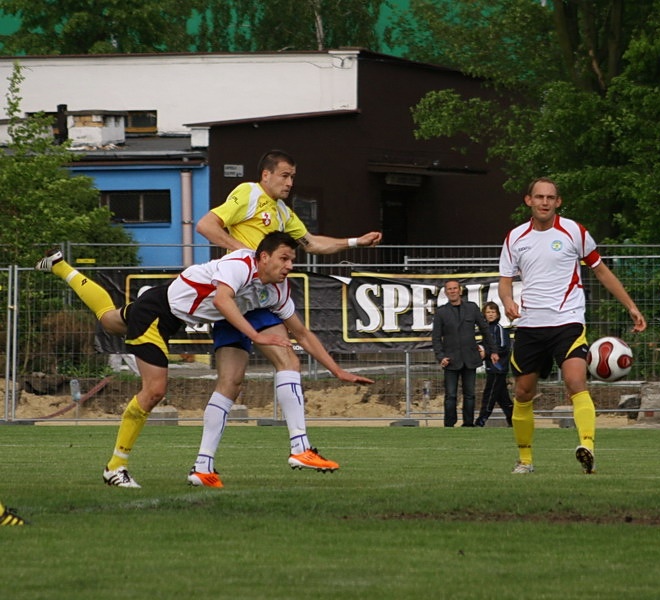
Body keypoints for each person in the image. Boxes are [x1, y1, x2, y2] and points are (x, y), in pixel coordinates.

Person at [38, 149, 382, 483]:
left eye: (294, 176)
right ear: (266, 174)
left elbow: (311, 248)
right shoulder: (249, 197)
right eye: (285, 175)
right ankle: (118, 465)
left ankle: (203, 466)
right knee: (162, 384)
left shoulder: (282, 219)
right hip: (221, 298)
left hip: (222, 301)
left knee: (117, 322)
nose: (291, 182)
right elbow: (206, 226)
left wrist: (355, 241)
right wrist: (244, 254)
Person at [100, 232, 373, 488]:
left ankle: (203, 467)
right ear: (264, 257)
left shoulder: (278, 289)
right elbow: (220, 293)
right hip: (173, 308)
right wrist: (257, 335)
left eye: (292, 260)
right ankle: (118, 465)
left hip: (231, 313)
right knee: (120, 337)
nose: (290, 266)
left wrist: (337, 371)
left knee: (233, 383)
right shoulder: (240, 261)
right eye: (284, 259)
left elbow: (302, 333)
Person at [498, 177, 646, 475]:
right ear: (528, 200)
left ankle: (587, 446)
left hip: (567, 321)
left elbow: (602, 272)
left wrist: (630, 306)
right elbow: (505, 282)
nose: (544, 202)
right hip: (530, 325)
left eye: (550, 197)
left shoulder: (575, 232)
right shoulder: (515, 238)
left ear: (558, 202)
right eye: (538, 197)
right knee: (523, 393)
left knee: (575, 381)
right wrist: (507, 302)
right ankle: (525, 460)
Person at [431, 280, 498, 427]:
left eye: (455, 288)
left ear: (460, 290)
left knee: (470, 395)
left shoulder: (472, 308)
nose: (453, 291)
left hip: (470, 358)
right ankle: (449, 425)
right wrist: (441, 357)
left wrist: (492, 351)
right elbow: (436, 338)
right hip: (451, 360)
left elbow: (485, 330)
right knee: (451, 396)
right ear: (446, 292)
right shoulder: (441, 312)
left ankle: (468, 424)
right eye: (450, 289)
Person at [475, 301, 513, 427]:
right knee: (503, 397)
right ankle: (514, 420)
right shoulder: (485, 330)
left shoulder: (499, 329)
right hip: (491, 367)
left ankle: (481, 420)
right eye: (488, 312)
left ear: (497, 314)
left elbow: (502, 347)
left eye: (493, 312)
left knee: (489, 394)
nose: (490, 315)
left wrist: (487, 353)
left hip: (498, 368)